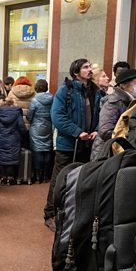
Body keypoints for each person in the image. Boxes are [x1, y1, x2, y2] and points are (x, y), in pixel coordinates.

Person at [42, 58, 101, 231]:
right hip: (67, 145)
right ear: (76, 72)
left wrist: (96, 129)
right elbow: (57, 116)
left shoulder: (95, 91)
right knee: (59, 180)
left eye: (90, 66)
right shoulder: (65, 91)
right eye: (85, 67)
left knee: (81, 180)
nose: (90, 70)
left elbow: (99, 114)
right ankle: (50, 213)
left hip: (87, 144)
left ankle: (72, 214)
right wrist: (77, 132)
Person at [90, 68, 136, 160]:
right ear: (125, 84)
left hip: (119, 152)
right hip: (106, 153)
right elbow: (105, 130)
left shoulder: (134, 102)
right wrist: (128, 137)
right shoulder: (113, 102)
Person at [0, 98, 27, 185]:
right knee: (11, 158)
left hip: (2, 139)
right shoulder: (17, 115)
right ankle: (11, 178)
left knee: (2, 158)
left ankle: (3, 178)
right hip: (14, 139)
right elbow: (22, 128)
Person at [27, 79, 54, 183]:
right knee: (47, 149)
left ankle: (38, 176)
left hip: (36, 128)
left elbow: (30, 115)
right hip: (48, 126)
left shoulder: (34, 100)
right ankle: (45, 175)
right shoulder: (52, 99)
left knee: (37, 150)